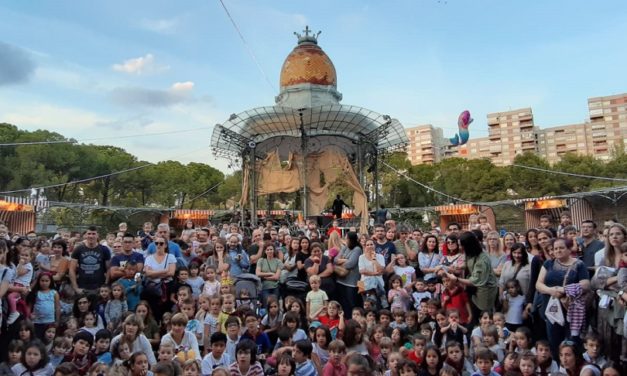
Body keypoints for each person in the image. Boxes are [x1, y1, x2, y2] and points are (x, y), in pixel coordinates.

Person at [535, 237, 590, 359]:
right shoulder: (548, 263)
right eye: (555, 248)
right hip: (552, 310)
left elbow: (586, 284)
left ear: (569, 249)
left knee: (572, 344)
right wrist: (551, 291)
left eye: (561, 248)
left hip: (571, 310)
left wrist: (564, 290)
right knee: (554, 343)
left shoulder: (578, 264)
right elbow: (538, 284)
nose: (558, 251)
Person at [444, 232, 498, 326]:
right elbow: (469, 263)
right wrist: (458, 267)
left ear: (469, 245)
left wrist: (456, 279)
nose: (460, 247)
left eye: (462, 245)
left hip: (485, 291)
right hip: (475, 290)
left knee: (484, 315)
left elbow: (475, 281)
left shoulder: (482, 259)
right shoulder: (470, 253)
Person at [69, 226, 111, 295]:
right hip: (82, 287)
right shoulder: (78, 249)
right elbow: (71, 269)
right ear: (85, 235)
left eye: (93, 234)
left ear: (97, 235)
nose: (91, 236)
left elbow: (108, 269)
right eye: (89, 234)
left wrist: (105, 286)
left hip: (99, 288)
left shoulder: (104, 250)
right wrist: (76, 288)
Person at [334, 232, 363, 318]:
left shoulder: (357, 249)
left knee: (351, 303)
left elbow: (351, 264)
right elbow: (335, 260)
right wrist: (345, 260)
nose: (345, 240)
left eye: (346, 238)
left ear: (350, 239)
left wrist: (341, 261)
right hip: (340, 280)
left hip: (351, 282)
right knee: (343, 303)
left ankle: (353, 319)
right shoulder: (345, 247)